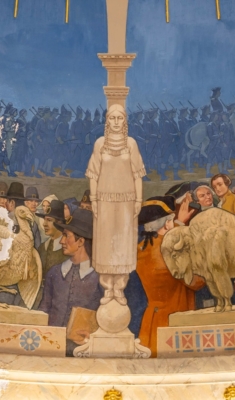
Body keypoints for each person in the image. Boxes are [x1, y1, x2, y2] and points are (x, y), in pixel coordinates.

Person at [86, 104, 146, 306]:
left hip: (126, 203)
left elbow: (138, 175)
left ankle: (119, 287)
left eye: (120, 118)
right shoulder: (100, 144)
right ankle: (107, 287)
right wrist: (94, 200)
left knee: (123, 244)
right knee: (105, 244)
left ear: (125, 121)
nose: (116, 122)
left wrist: (138, 200)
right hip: (104, 202)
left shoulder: (131, 144)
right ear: (107, 120)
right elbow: (93, 174)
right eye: (112, 118)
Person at [137, 196, 206, 357]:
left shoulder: (140, 248)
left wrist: (179, 223)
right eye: (171, 220)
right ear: (167, 223)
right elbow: (197, 282)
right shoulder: (172, 249)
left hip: (151, 322)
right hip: (174, 322)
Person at [39, 208, 103, 354]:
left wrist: (94, 336)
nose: (62, 241)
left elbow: (108, 319)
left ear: (80, 241)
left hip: (84, 351)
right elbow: (43, 310)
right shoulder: (54, 273)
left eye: (66, 236)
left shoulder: (100, 277)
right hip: (50, 348)